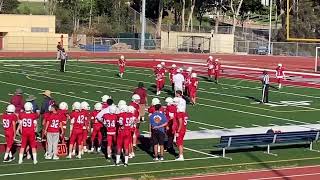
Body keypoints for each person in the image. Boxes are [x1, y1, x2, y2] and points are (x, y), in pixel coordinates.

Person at [175, 90, 187, 161]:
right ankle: (180, 154)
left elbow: (180, 123)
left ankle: (181, 156)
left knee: (179, 143)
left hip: (181, 129)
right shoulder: (185, 114)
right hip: (183, 129)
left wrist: (178, 131)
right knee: (180, 142)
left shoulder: (179, 114)